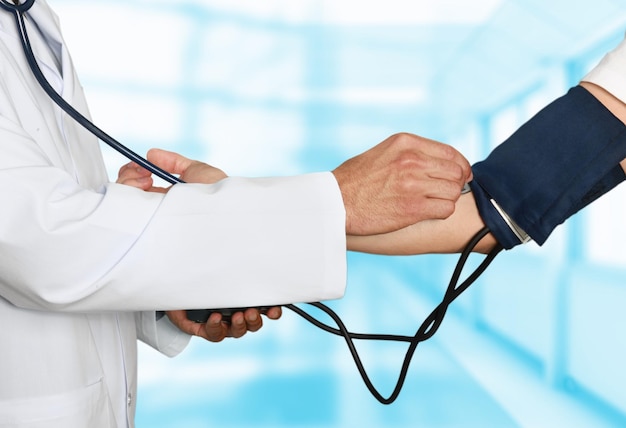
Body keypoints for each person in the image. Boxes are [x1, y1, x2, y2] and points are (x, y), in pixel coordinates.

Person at [0, 1, 472, 427]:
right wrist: (340, 201)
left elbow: (76, 226)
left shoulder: (33, 20)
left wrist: (169, 289)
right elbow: (43, 239)